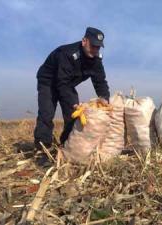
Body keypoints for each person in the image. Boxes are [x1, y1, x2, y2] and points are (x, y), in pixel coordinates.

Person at [34, 27, 110, 164]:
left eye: (98, 47)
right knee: (46, 114)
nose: (95, 50)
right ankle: (42, 150)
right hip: (48, 82)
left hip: (67, 84)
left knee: (73, 115)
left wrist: (104, 98)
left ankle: (66, 146)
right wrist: (71, 102)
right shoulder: (67, 54)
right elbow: (61, 82)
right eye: (93, 46)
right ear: (84, 41)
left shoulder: (96, 59)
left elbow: (100, 81)